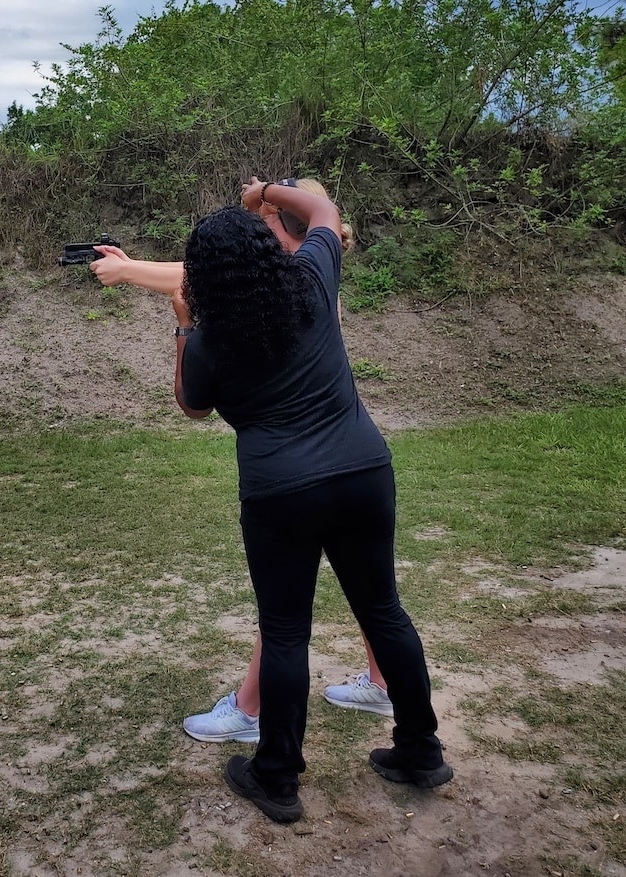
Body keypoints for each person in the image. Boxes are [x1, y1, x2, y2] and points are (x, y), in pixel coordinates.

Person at [159, 176, 452, 822]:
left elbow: (191, 406)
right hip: (362, 471)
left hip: (280, 493)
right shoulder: (316, 280)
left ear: (203, 279)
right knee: (385, 612)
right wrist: (264, 190)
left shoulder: (210, 344)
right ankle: (421, 749)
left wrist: (183, 326)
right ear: (270, 251)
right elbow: (322, 209)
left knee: (286, 632)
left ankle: (278, 777)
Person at [89, 180, 393, 746]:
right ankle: (382, 683)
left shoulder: (291, 273)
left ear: (280, 228)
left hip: (295, 467)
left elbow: (203, 275)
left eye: (268, 219)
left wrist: (131, 273)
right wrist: (264, 203)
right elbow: (212, 263)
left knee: (284, 617)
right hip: (350, 453)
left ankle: (250, 711)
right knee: (371, 593)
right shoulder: (308, 264)